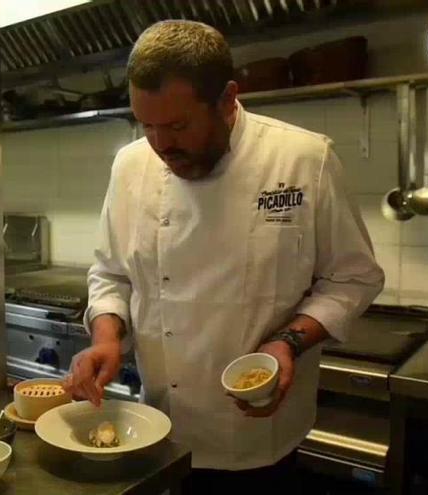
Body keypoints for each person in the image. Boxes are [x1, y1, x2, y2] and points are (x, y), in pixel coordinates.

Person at [62, 19, 385, 493]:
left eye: (178, 126)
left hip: (259, 435)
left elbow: (353, 277)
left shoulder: (302, 160)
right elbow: (111, 274)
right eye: (147, 126)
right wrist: (107, 337)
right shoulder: (130, 165)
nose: (161, 146)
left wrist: (287, 343)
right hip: (160, 426)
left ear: (228, 98)